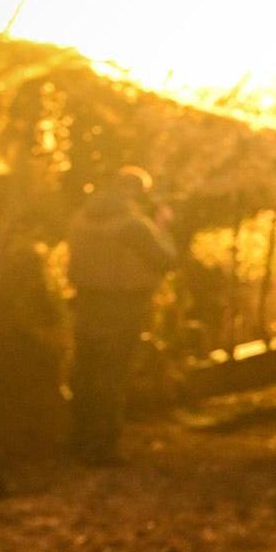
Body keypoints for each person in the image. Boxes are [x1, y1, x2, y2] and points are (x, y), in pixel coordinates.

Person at [65, 165, 176, 466]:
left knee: (84, 374)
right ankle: (102, 447)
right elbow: (166, 260)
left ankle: (79, 440)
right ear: (135, 193)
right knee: (111, 376)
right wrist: (162, 228)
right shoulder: (132, 226)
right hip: (123, 307)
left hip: (86, 304)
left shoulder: (81, 218)